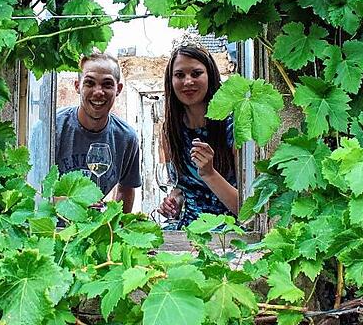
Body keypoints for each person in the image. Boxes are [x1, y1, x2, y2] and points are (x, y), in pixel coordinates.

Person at [158, 44, 238, 229]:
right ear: (170, 81)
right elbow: (181, 187)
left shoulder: (233, 126)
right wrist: (174, 201)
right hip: (188, 229)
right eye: (179, 75)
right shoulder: (171, 130)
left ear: (210, 76)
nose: (188, 81)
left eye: (196, 73)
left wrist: (209, 173)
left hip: (228, 231)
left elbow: (247, 210)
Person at [55, 52, 141, 213]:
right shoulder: (54, 128)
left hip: (95, 231)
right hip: (51, 229)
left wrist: (114, 227)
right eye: (89, 83)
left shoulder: (126, 138)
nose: (98, 92)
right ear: (77, 86)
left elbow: (126, 189)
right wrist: (72, 204)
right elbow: (34, 186)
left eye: (107, 84)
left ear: (118, 89)